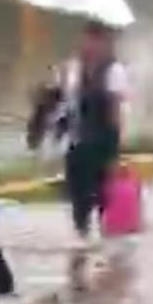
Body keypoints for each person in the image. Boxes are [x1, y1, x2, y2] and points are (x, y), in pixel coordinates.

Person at [27, 21, 129, 289]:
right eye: (87, 39)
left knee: (103, 197)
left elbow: (115, 115)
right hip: (76, 143)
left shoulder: (114, 72)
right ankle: (81, 249)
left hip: (102, 143)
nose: (91, 46)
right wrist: (47, 94)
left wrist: (115, 153)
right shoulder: (71, 69)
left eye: (97, 40)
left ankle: (106, 254)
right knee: (77, 197)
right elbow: (58, 103)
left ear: (106, 43)